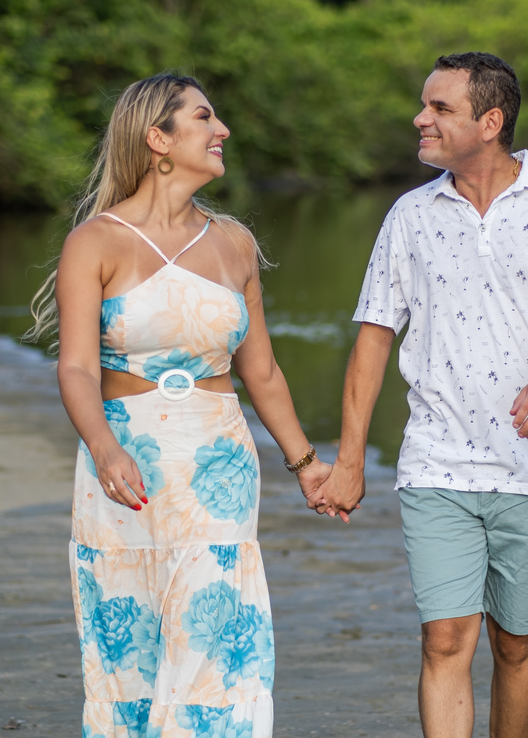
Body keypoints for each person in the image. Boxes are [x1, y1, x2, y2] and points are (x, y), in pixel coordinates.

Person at [313, 52, 528, 738]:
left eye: (439, 108)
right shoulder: (410, 215)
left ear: (490, 122)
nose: (419, 119)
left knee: (515, 641)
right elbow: (374, 338)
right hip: (437, 462)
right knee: (445, 640)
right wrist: (350, 460)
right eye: (423, 105)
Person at [27, 73, 339, 738]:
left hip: (218, 463)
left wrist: (306, 462)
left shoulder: (235, 244)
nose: (222, 130)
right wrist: (103, 446)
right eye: (204, 117)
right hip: (125, 461)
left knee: (212, 634)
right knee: (130, 637)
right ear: (158, 139)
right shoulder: (96, 241)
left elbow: (262, 371)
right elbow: (77, 367)